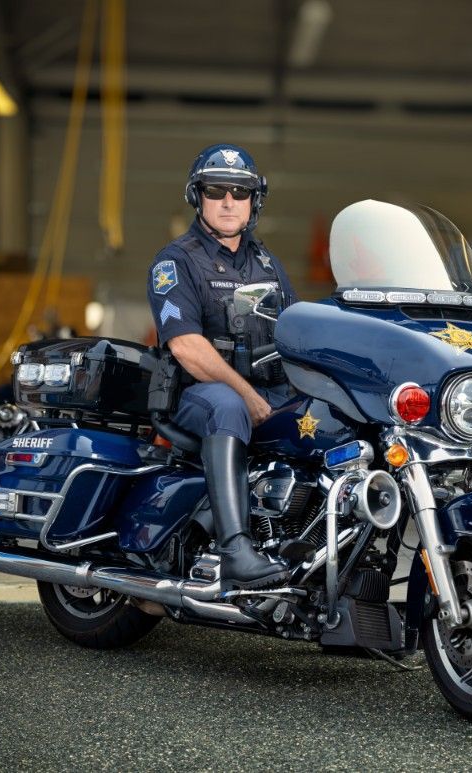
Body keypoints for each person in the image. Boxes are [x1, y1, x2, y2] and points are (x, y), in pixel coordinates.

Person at [146, 144, 298, 590]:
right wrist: (247, 394)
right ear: (198, 197)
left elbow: (297, 330)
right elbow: (188, 347)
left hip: (268, 390)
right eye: (216, 190)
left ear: (255, 200)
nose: (229, 200)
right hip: (196, 394)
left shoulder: (267, 263)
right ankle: (234, 549)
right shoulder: (176, 260)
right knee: (227, 406)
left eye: (240, 190)